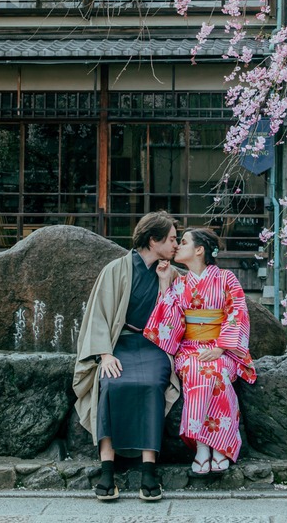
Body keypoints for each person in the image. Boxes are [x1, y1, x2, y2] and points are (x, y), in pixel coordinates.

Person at [72, 211, 183, 502]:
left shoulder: (170, 273)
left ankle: (149, 471)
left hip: (154, 346)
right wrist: (105, 354)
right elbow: (98, 315)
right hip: (119, 344)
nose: (176, 245)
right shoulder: (116, 269)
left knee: (151, 386)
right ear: (153, 239)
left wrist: (162, 282)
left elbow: (173, 317)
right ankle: (106, 470)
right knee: (110, 384)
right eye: (172, 239)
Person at [143, 227, 256, 474]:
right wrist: (164, 283)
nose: (177, 246)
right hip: (190, 348)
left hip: (222, 349)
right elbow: (168, 316)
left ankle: (220, 447)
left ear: (199, 249)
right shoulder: (180, 282)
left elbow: (237, 313)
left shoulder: (226, 279)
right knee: (196, 370)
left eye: (183, 242)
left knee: (217, 372)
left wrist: (221, 347)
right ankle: (202, 446)